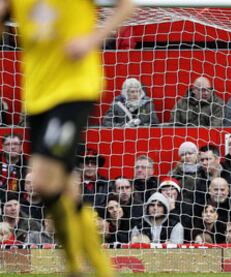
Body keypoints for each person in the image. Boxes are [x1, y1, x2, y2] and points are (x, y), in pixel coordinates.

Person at [0, 0, 134, 275]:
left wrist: (93, 38)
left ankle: (78, 266)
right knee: (62, 187)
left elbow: (127, 4)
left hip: (74, 89)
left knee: (41, 179)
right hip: (37, 96)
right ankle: (93, 268)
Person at [77, 147, 113, 218]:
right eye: (86, 162)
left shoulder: (108, 184)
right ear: (80, 165)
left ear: (97, 166)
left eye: (93, 163)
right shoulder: (73, 184)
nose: (90, 166)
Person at [0, 134, 27, 202]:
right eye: (8, 144)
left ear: (21, 147)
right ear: (3, 147)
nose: (12, 147)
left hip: (19, 205)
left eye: (16, 144)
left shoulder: (28, 166)